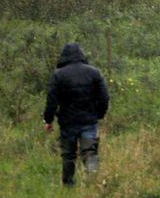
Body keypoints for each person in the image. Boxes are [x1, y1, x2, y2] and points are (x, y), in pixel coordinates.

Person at [43, 42, 110, 186]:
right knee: (90, 153)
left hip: (67, 122)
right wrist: (99, 114)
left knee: (68, 155)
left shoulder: (58, 75)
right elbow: (104, 97)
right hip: (89, 121)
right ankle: (91, 183)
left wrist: (48, 120)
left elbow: (51, 100)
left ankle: (68, 185)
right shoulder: (94, 72)